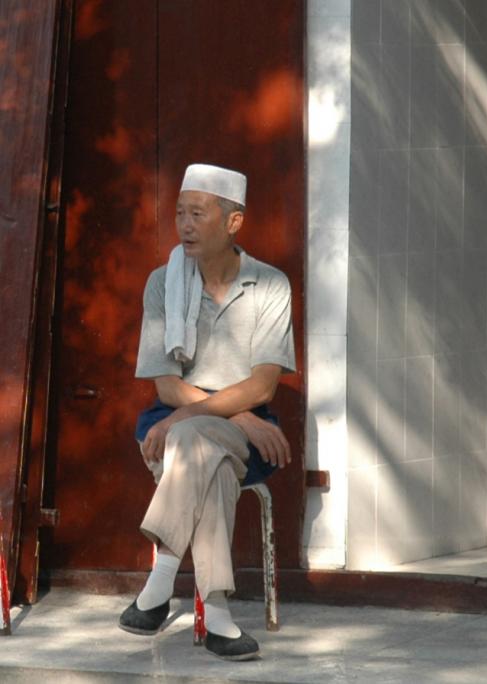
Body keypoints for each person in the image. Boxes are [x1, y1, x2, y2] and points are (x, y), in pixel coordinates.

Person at [118, 163, 295, 661]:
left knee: (193, 440)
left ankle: (160, 583)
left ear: (234, 222)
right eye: (180, 213)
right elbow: (167, 385)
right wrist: (238, 417)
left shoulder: (270, 285)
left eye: (198, 214)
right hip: (189, 422)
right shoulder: (163, 282)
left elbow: (263, 384)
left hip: (206, 430)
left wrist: (203, 417)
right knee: (205, 457)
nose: (185, 225)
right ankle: (217, 616)